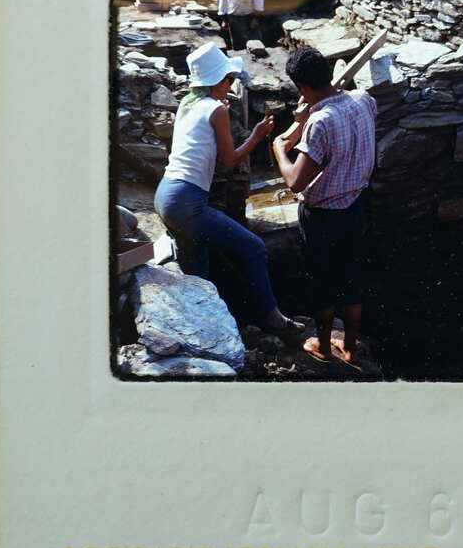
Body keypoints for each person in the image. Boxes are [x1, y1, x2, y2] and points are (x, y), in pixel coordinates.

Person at [154, 41, 304, 336]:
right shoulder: (215, 110)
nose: (231, 85)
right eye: (229, 79)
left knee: (199, 263)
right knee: (254, 248)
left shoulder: (190, 104)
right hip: (187, 201)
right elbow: (231, 159)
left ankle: (206, 323)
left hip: (165, 195)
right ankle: (270, 316)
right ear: (217, 81)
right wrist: (258, 135)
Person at [273, 47, 377, 364]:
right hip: (356, 206)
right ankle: (351, 347)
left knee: (323, 282)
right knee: (352, 277)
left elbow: (295, 181)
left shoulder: (320, 122)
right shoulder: (363, 100)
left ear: (302, 89)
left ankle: (322, 345)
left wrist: (279, 147)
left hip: (322, 217)